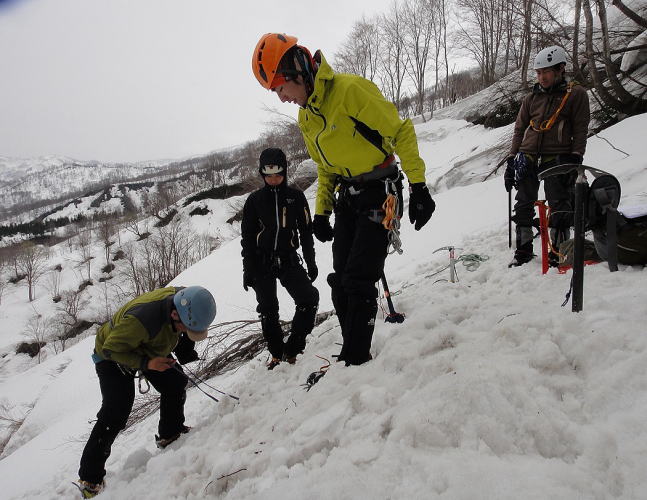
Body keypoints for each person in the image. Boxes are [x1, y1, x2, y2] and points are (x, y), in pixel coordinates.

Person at [252, 34, 435, 366]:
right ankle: (353, 349)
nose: (282, 98)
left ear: (295, 72)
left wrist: (419, 187)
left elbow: (401, 131)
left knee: (359, 279)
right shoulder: (307, 117)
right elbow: (325, 168)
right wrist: (321, 212)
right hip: (349, 198)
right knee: (339, 279)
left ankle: (355, 360)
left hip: (383, 193)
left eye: (280, 88)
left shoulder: (350, 91)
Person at [75, 285, 216, 498]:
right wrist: (147, 363)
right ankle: (89, 478)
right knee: (116, 412)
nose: (186, 332)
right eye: (184, 327)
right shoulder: (141, 321)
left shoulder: (186, 299)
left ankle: (170, 433)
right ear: (174, 314)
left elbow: (185, 330)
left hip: (147, 346)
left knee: (175, 382)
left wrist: (184, 352)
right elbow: (110, 349)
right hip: (113, 354)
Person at [505, 45, 590, 267]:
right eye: (539, 73)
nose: (542, 77)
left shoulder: (575, 94)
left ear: (561, 69)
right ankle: (523, 251)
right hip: (529, 156)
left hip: (558, 157)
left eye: (546, 72)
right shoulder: (530, 99)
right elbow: (519, 128)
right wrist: (512, 158)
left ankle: (559, 251)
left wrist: (576, 155)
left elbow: (581, 128)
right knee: (523, 204)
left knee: (559, 205)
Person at [241, 147, 319, 369]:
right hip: (261, 260)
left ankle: (292, 349)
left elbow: (305, 231)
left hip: (288, 258)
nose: (273, 180)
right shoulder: (254, 200)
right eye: (268, 175)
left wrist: (310, 261)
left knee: (309, 299)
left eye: (278, 174)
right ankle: (276, 354)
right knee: (268, 310)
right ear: (262, 174)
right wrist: (248, 269)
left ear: (285, 171)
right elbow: (247, 237)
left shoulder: (295, 197)